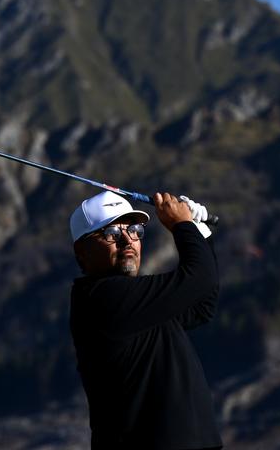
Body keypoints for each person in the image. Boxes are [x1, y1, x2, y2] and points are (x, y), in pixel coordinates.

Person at [69, 190, 222, 449]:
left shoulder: (137, 303)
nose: (128, 241)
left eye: (135, 231)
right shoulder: (103, 298)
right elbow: (199, 278)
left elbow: (201, 306)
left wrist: (200, 232)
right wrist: (182, 225)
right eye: (112, 234)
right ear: (82, 251)